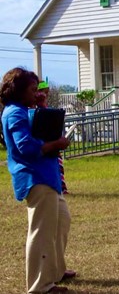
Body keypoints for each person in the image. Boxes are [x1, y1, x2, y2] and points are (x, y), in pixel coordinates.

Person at [0, 67, 75, 293]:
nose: (37, 93)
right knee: (41, 231)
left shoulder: (24, 109)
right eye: (33, 90)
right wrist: (56, 145)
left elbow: (46, 126)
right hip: (35, 177)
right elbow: (25, 146)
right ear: (19, 90)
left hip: (46, 176)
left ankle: (55, 271)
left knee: (61, 221)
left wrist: (41, 106)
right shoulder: (15, 112)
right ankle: (40, 285)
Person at [34, 80, 69, 195]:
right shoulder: (35, 109)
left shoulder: (45, 107)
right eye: (44, 92)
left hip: (53, 142)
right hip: (44, 144)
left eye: (47, 93)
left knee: (59, 165)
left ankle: (62, 187)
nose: (46, 95)